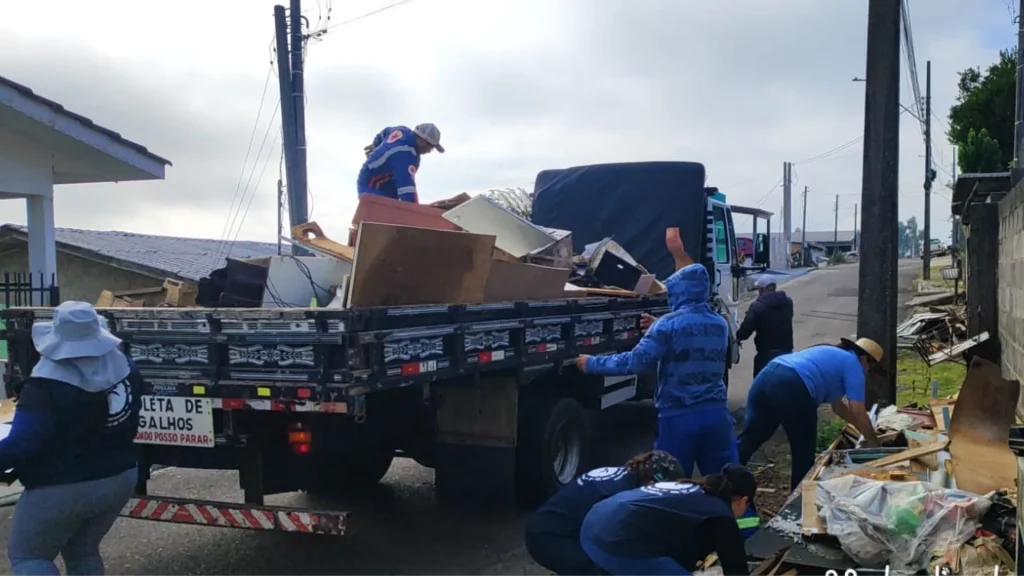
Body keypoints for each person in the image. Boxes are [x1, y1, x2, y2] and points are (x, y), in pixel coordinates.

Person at [576, 228, 736, 478]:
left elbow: (634, 363)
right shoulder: (719, 324)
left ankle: (673, 517)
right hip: (716, 415)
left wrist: (591, 363)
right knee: (725, 480)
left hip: (679, 417)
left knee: (666, 483)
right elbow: (690, 334)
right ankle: (740, 518)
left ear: (678, 291)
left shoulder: (667, 326)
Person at [2, 301, 143, 575]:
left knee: (30, 556)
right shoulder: (125, 367)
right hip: (120, 477)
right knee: (83, 551)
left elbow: (22, 443)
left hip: (61, 485)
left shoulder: (45, 384)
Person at [737, 337, 883, 491]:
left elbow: (839, 407)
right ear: (865, 359)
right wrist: (874, 443)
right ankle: (799, 504)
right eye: (871, 369)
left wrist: (863, 432)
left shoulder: (834, 356)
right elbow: (858, 410)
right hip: (793, 386)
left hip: (767, 376)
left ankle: (723, 484)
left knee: (749, 439)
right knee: (803, 454)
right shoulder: (854, 364)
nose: (867, 373)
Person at [524, 450, 684, 576]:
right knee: (602, 564)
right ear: (651, 484)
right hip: (550, 539)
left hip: (553, 527)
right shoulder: (617, 498)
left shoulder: (628, 474)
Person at [579, 463, 757, 575]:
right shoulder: (721, 514)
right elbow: (736, 570)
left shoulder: (690, 489)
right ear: (744, 500)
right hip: (614, 539)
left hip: (592, 525)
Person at [357, 123, 445, 204]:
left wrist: (375, 145)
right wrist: (415, 213)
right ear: (423, 140)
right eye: (430, 147)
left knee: (393, 209)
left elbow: (384, 132)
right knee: (383, 215)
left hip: (386, 182)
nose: (429, 151)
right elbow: (406, 190)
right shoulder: (406, 156)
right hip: (372, 186)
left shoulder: (402, 130)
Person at [736, 274, 794, 378]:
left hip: (765, 356)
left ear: (762, 289)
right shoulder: (788, 303)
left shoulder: (757, 307)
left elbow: (745, 331)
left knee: (761, 387)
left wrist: (737, 337)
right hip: (786, 354)